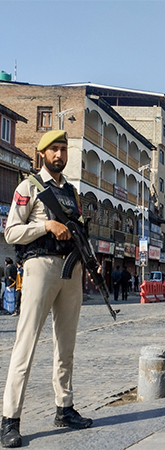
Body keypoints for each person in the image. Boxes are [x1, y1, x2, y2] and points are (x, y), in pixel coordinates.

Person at [0, 130, 93, 448]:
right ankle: (10, 419)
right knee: (25, 345)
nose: (60, 154)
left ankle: (64, 408)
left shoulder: (72, 193)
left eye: (64, 149)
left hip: (71, 270)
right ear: (42, 154)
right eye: (54, 149)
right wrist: (45, 226)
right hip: (40, 267)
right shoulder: (29, 187)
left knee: (66, 346)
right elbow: (11, 231)